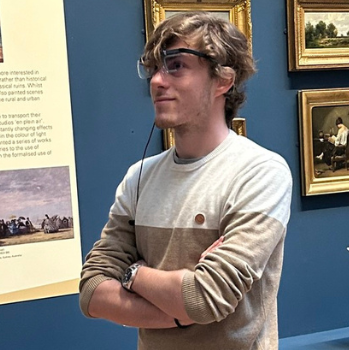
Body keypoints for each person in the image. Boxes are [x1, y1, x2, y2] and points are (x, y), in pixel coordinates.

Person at [78, 12, 292, 350]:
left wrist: (133, 274)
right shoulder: (139, 177)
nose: (157, 81)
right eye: (154, 69)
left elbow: (206, 298)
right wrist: (180, 311)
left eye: (176, 66)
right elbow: (92, 291)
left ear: (223, 80)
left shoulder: (260, 172)